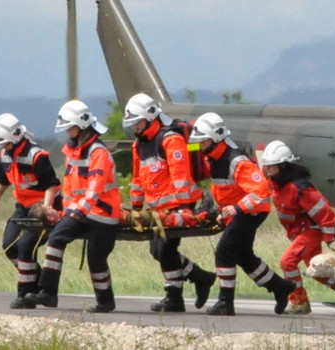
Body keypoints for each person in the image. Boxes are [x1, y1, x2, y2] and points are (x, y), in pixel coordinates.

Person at [187, 112, 297, 316]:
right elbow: (190, 148)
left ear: (216, 138)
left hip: (252, 211)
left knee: (224, 251)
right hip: (242, 211)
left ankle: (225, 302)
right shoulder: (212, 155)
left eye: (203, 141)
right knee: (243, 255)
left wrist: (236, 208)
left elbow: (261, 190)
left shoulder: (236, 161)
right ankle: (280, 287)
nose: (200, 145)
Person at [24, 100, 123, 313]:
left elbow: (95, 188)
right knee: (57, 238)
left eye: (70, 126)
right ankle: (48, 293)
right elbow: (69, 189)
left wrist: (76, 212)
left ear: (82, 125)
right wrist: (66, 212)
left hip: (102, 213)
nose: (67, 131)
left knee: (96, 258)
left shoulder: (98, 152)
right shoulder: (73, 151)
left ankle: (105, 301)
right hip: (83, 212)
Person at [121, 93, 216, 312]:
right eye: (133, 122)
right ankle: (200, 277)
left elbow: (181, 177)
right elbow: (137, 179)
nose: (135, 126)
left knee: (165, 250)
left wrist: (183, 210)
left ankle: (174, 298)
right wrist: (136, 210)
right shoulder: (138, 145)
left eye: (138, 121)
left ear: (150, 117)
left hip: (178, 206)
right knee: (156, 250)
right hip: (157, 209)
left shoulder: (170, 140)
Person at [261, 140, 335, 315]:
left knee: (287, 262)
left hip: (310, 232)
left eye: (272, 166)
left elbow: (324, 210)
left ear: (283, 166)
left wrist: (329, 235)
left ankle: (299, 302)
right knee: (318, 272)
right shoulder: (275, 185)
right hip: (300, 233)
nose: (268, 169)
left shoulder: (299, 188)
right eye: (267, 166)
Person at [0, 113, 60, 309]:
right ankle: (38, 283)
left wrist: (46, 209)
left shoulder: (37, 156)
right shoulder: (5, 155)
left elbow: (51, 185)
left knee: (26, 246)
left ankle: (25, 295)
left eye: (5, 143)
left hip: (41, 207)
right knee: (9, 245)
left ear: (16, 138)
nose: (3, 147)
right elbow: (4, 179)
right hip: (23, 207)